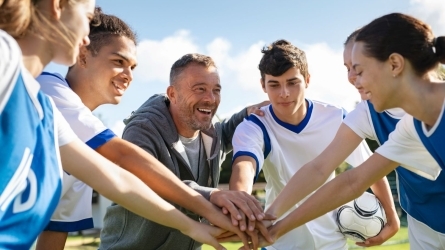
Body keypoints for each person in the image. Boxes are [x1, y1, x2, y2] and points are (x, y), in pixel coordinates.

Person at [0, 1, 235, 249]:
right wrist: (207, 205)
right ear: (57, 6)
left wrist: (193, 225)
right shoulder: (43, 88)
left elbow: (114, 185)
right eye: (119, 62)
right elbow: (121, 158)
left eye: (132, 67)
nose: (129, 75)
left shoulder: (52, 118)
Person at [261, 13, 445, 250]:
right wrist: (273, 226)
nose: (354, 80)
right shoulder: (411, 129)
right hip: (426, 223)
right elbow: (352, 180)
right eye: (349, 69)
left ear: (395, 64)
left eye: (359, 70)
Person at [227, 39, 395, 250]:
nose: (284, 93)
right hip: (279, 242)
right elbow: (244, 166)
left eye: (292, 82)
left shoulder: (335, 117)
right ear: (263, 86)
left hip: (332, 242)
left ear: (307, 79)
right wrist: (242, 209)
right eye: (274, 85)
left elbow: (370, 168)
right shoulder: (254, 126)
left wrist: (391, 217)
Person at [99, 53, 271, 250]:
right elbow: (148, 184)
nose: (210, 98)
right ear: (172, 94)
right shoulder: (142, 129)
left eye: (216, 90)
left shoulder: (212, 133)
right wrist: (212, 195)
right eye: (200, 89)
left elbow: (228, 129)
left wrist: (249, 113)